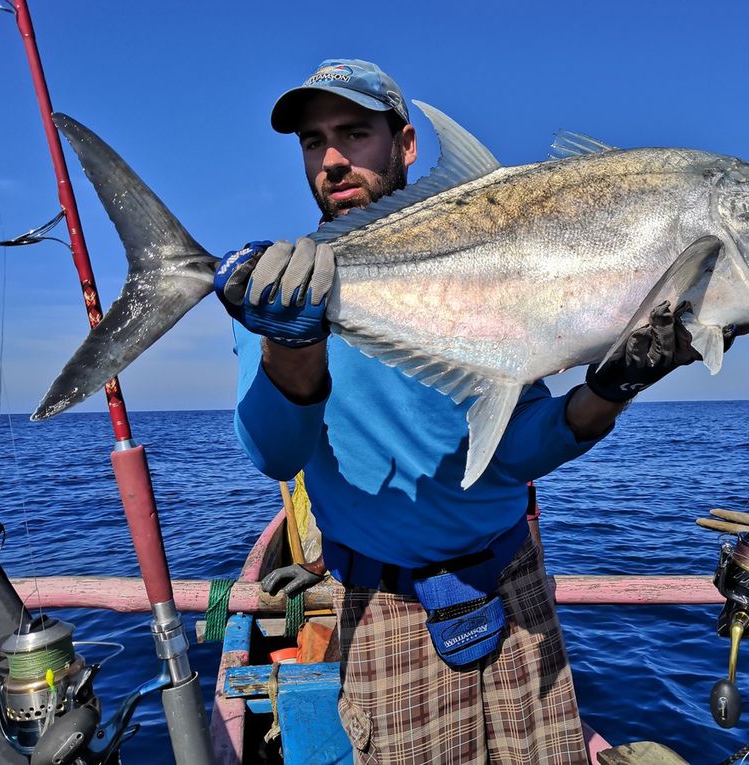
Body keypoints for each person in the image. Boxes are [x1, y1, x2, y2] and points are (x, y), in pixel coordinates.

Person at [215, 58, 700, 765]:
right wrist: (290, 345)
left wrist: (608, 391)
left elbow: (515, 450)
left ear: (406, 144)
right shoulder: (284, 289)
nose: (333, 159)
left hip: (513, 586)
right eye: (314, 142)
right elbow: (275, 456)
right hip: (385, 609)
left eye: (354, 133)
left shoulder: (498, 263)